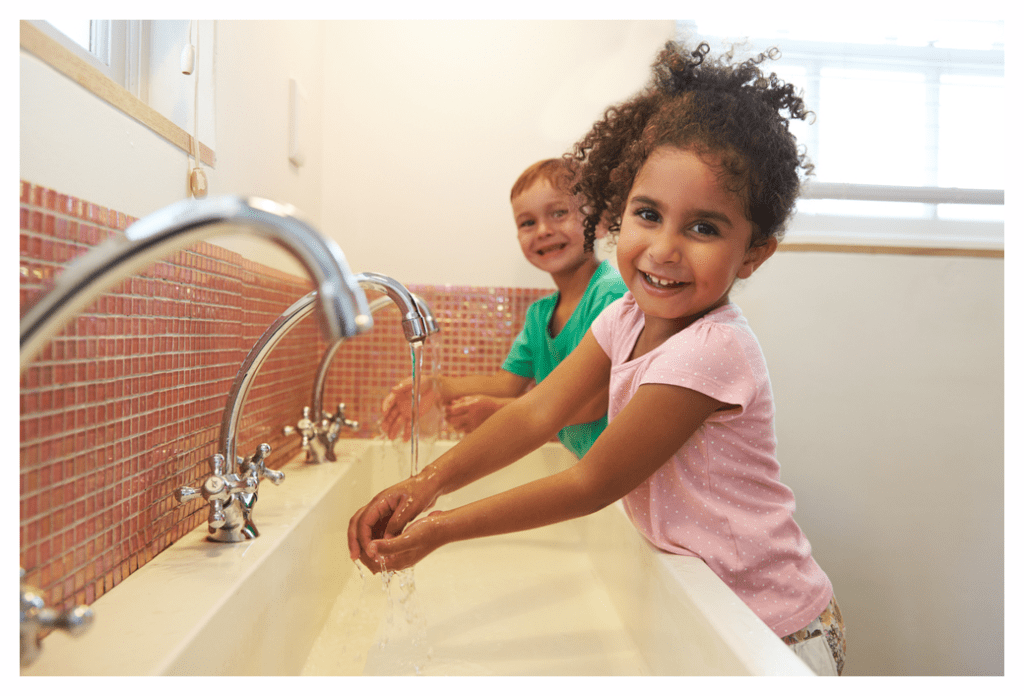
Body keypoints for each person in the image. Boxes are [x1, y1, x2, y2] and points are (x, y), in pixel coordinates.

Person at [350, 41, 845, 675]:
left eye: (704, 228)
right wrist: (426, 484)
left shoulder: (711, 351)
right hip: (710, 610)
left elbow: (592, 482)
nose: (663, 249)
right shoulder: (625, 317)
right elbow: (535, 414)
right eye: (648, 214)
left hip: (777, 631)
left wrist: (442, 527)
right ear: (615, 215)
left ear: (753, 254)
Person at [379, 158, 628, 459]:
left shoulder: (612, 293)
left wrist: (498, 411)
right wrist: (437, 387)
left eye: (559, 213)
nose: (543, 230)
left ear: (599, 222)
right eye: (527, 223)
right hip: (593, 469)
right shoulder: (540, 316)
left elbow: (592, 402)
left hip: (625, 470)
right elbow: (506, 383)